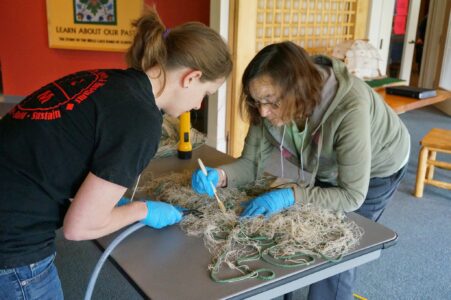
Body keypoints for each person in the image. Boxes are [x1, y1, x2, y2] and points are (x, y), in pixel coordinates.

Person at [0, 6, 232, 299]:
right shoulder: (140, 119)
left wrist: (107, 200)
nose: (199, 105)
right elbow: (79, 228)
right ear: (191, 77)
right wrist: (141, 210)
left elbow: (57, 151)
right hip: (12, 242)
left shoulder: (112, 81)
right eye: (206, 94)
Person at [192, 41, 409, 300]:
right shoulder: (269, 103)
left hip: (378, 168)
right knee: (295, 234)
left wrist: (292, 195)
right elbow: (250, 164)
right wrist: (221, 176)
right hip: (328, 165)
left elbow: (352, 196)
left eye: (270, 102)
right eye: (256, 100)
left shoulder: (351, 109)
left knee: (337, 245)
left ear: (298, 92)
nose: (262, 111)